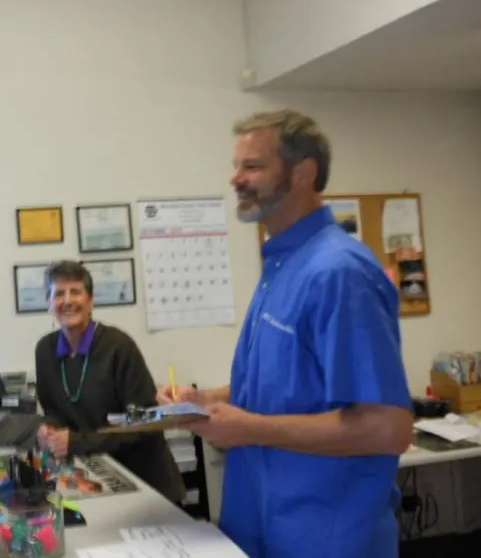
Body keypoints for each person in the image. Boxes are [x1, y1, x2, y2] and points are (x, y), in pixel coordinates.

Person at [157, 109, 414, 557]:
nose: (236, 179)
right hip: (262, 524)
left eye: (253, 166)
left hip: (326, 535)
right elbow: (283, 385)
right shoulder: (282, 263)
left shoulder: (339, 272)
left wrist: (250, 429)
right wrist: (209, 402)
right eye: (236, 166)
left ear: (303, 173)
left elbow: (386, 429)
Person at [35, 260, 184, 504]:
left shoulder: (119, 347)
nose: (68, 300)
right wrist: (49, 428)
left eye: (76, 291)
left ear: (91, 301)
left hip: (145, 484)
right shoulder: (45, 350)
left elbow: (144, 422)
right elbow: (54, 410)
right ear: (49, 303)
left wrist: (76, 442)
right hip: (96, 479)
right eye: (59, 293)